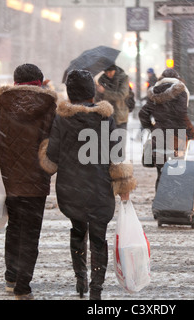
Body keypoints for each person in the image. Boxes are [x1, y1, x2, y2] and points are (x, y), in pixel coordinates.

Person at [40, 69, 136, 300]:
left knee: (77, 229)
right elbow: (117, 152)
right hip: (99, 188)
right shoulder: (106, 118)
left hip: (71, 188)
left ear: (70, 93)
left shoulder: (62, 119)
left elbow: (51, 156)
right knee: (98, 238)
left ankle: (80, 278)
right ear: (92, 93)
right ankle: (96, 289)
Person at [0, 64, 58, 300]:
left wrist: (3, 151)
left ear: (15, 81)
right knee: (31, 233)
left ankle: (11, 277)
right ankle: (23, 287)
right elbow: (55, 142)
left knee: (14, 227)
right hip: (37, 180)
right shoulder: (49, 106)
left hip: (10, 179)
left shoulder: (3, 103)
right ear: (39, 82)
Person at [139, 68, 194, 191]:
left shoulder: (153, 92)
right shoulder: (180, 91)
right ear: (177, 79)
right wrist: (192, 133)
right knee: (176, 172)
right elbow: (182, 115)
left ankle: (160, 203)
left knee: (161, 172)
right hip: (177, 137)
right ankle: (173, 203)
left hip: (159, 136)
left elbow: (143, 113)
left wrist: (151, 127)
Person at [95, 64, 130, 131]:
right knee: (106, 140)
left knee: (120, 140)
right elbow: (98, 99)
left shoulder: (123, 78)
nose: (108, 74)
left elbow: (121, 95)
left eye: (110, 72)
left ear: (115, 70)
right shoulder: (102, 79)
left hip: (120, 116)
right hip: (106, 116)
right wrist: (98, 91)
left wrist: (104, 91)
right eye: (106, 72)